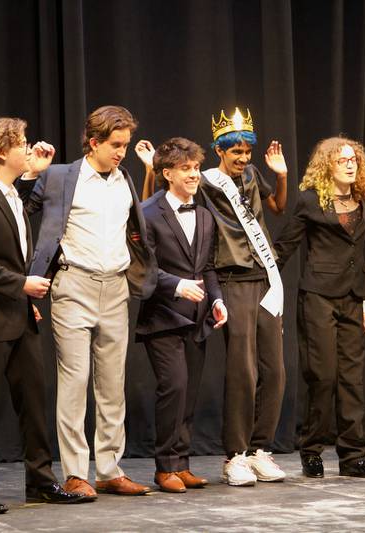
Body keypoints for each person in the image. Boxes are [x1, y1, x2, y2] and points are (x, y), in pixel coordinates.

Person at [17, 105, 157, 498]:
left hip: (114, 288)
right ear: (93, 141)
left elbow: (135, 228)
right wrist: (31, 173)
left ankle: (110, 468)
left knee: (113, 384)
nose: (121, 152)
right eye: (115, 145)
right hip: (73, 286)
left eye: (125, 145)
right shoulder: (62, 176)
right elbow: (21, 209)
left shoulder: (124, 178)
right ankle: (76, 471)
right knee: (75, 381)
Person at [0, 117, 82, 513]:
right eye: (21, 143)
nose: (28, 148)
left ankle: (41, 481)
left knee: (33, 403)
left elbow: (15, 248)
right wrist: (21, 286)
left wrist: (24, 303)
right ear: (0, 151)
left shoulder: (11, 196)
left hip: (18, 317)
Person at [274, 136, 365, 479]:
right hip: (318, 297)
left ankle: (352, 457)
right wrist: (257, 283)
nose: (351, 165)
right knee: (322, 377)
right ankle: (312, 450)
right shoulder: (310, 202)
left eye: (354, 160)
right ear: (327, 167)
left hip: (353, 298)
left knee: (352, 380)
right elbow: (284, 247)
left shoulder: (364, 202)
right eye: (343, 161)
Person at [199, 108, 288, 486]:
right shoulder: (205, 182)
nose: (242, 158)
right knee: (242, 368)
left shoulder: (252, 174)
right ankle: (234, 455)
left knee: (275, 368)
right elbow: (155, 199)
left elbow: (278, 206)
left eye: (246, 151)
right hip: (232, 277)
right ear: (219, 150)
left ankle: (259, 450)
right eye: (235, 152)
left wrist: (281, 175)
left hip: (265, 277)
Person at [136, 137, 229, 493]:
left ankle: (182, 462)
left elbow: (207, 267)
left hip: (198, 315)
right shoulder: (148, 212)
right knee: (173, 387)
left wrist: (217, 300)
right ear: (166, 173)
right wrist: (176, 285)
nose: (194, 175)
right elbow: (143, 268)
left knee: (189, 391)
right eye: (186, 169)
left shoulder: (204, 215)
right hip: (162, 316)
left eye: (195, 169)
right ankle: (164, 468)